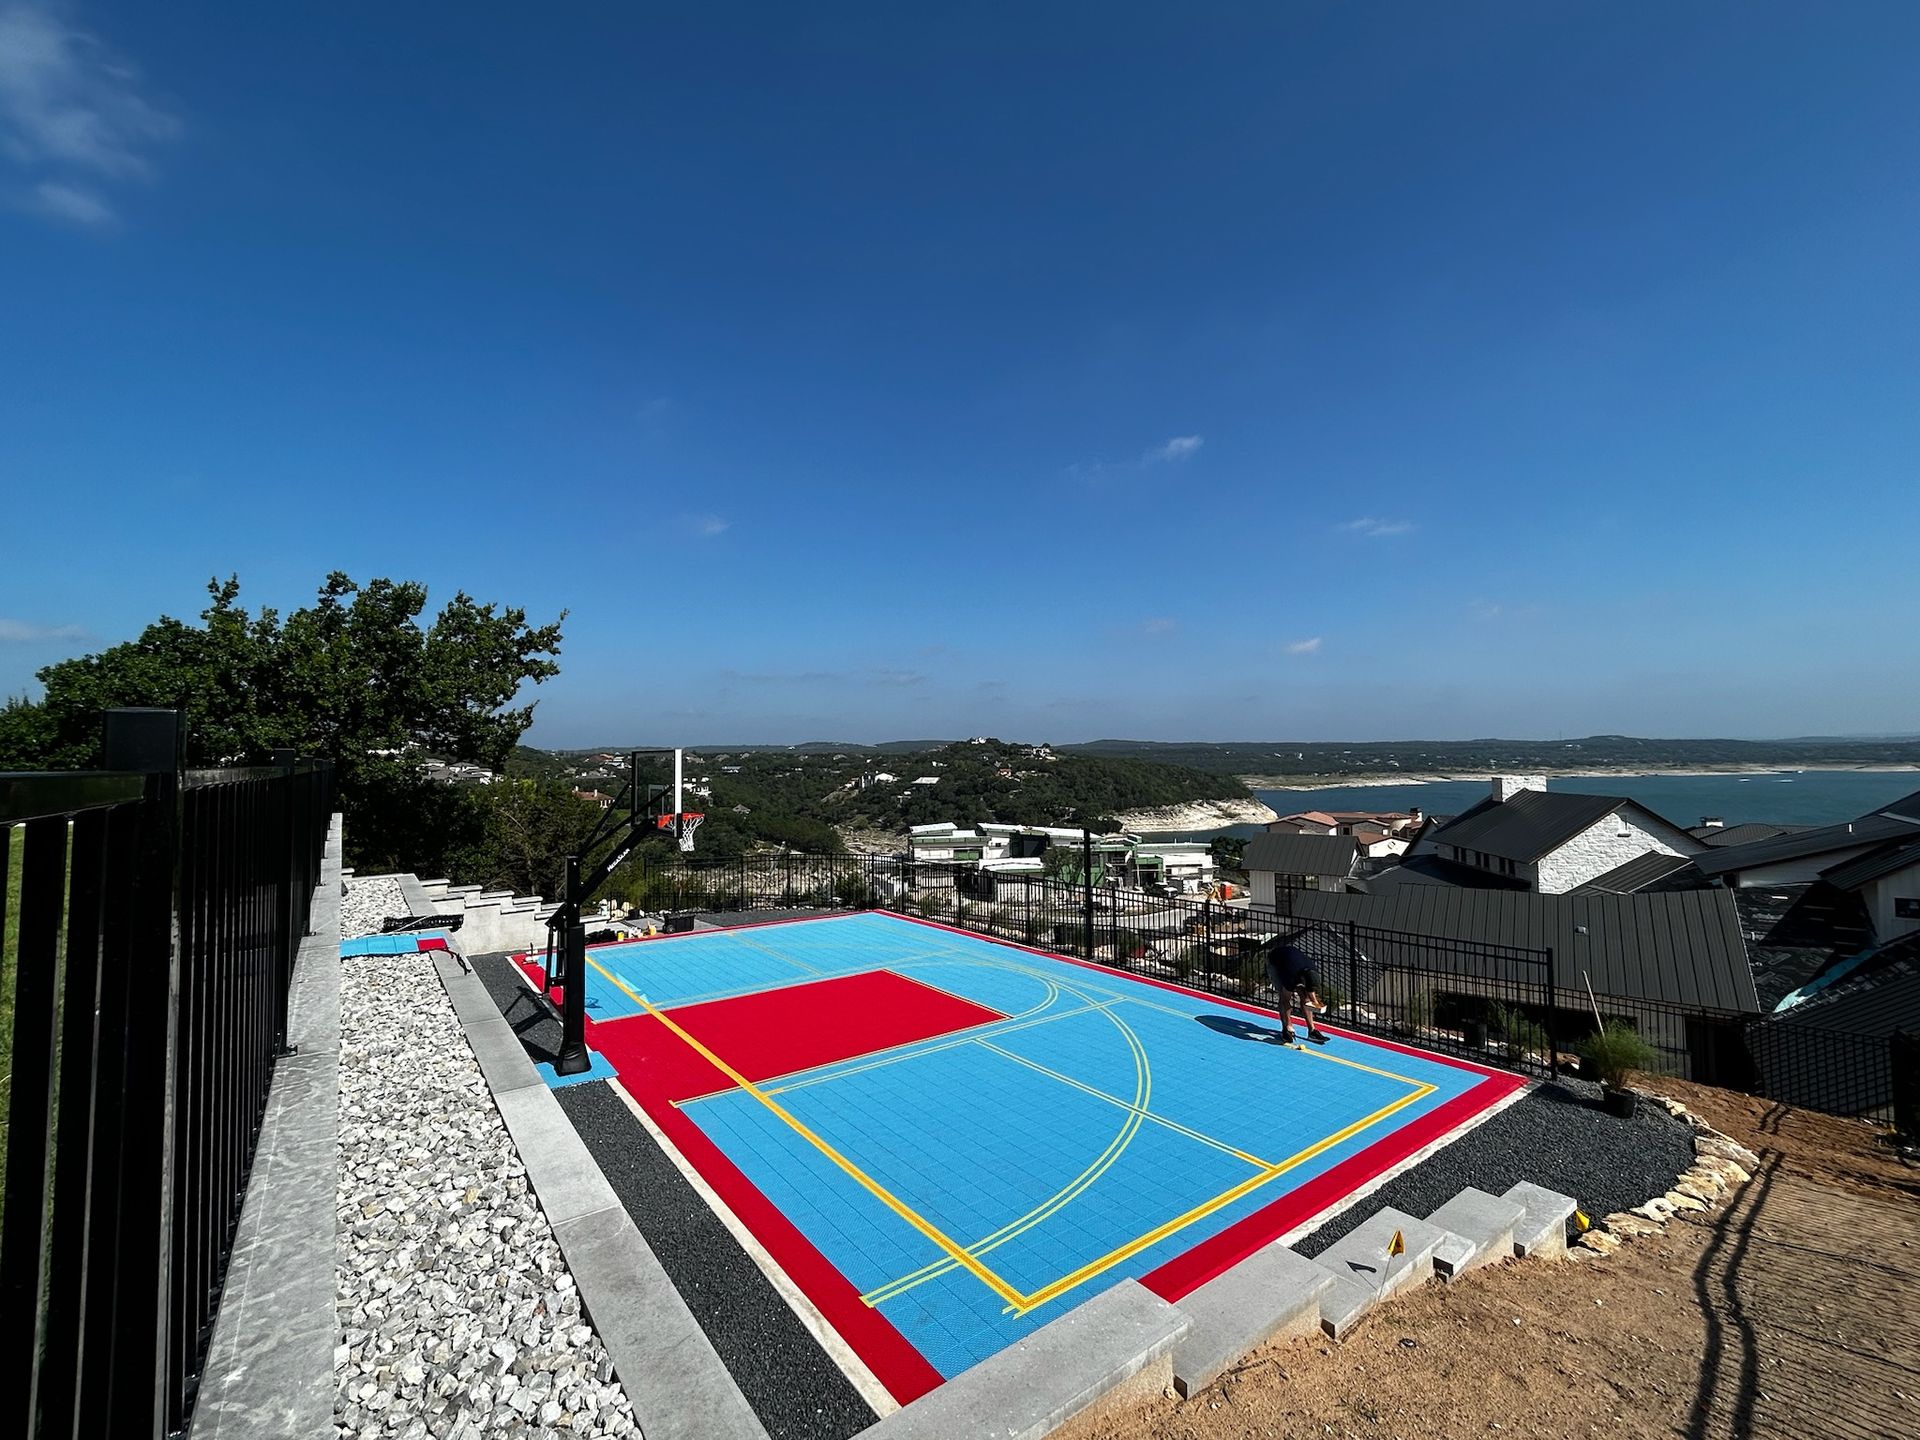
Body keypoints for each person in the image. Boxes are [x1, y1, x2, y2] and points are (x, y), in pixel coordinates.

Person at [1263, 935, 1330, 1045]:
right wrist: (1289, 1026)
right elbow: (1285, 1000)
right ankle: (1287, 1028)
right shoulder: (1290, 975)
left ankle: (1312, 1031)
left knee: (1305, 997)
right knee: (1284, 998)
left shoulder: (1311, 971)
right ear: (1302, 980)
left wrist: (1316, 1003)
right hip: (1276, 963)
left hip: (1294, 963)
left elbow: (1309, 991)